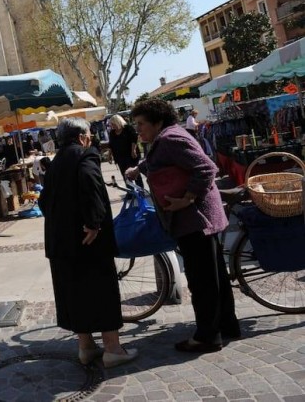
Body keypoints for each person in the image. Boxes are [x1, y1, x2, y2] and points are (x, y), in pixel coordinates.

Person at [126, 100, 239, 353]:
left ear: (157, 122)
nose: (139, 130)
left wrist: (187, 198)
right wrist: (138, 169)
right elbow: (164, 161)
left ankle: (207, 337)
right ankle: (227, 325)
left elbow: (205, 168)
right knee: (215, 276)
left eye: (142, 124)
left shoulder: (169, 139)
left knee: (202, 281)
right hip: (197, 219)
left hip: (194, 219)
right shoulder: (166, 138)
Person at [40, 118, 138, 368]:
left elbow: (43, 203)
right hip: (87, 240)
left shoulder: (55, 163)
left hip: (60, 242)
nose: (91, 140)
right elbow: (91, 185)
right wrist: (94, 223)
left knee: (74, 294)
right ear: (82, 137)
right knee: (101, 291)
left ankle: (86, 347)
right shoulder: (85, 156)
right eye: (90, 136)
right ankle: (113, 349)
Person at [107, 115, 144, 188]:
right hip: (119, 156)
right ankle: (130, 191)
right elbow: (111, 144)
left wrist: (133, 150)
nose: (112, 126)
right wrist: (109, 155)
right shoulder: (112, 133)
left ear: (118, 122)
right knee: (124, 174)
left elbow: (134, 139)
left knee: (134, 172)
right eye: (111, 124)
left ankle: (140, 189)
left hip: (130, 155)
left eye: (113, 124)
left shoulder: (128, 128)